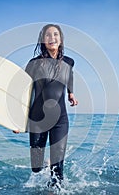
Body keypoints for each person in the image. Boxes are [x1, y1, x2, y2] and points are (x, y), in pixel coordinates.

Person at [15, 24, 78, 186]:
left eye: (55, 34)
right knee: (36, 167)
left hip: (60, 119)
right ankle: (45, 164)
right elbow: (24, 92)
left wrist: (71, 93)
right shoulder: (34, 64)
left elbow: (69, 76)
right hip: (37, 119)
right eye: (48, 35)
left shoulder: (69, 62)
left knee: (58, 170)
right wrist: (18, 119)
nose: (52, 38)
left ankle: (54, 189)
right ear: (43, 40)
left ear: (61, 39)